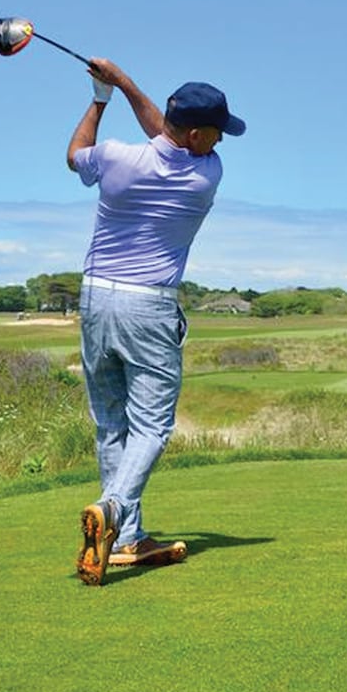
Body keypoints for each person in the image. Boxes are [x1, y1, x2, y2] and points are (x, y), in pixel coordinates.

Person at [67, 58, 245, 586]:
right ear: (197, 134)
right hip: (150, 306)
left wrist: (105, 95)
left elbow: (76, 154)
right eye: (217, 132)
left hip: (95, 300)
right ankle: (115, 512)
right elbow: (168, 139)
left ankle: (124, 541)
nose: (221, 141)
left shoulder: (117, 160)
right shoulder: (205, 174)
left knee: (112, 423)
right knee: (152, 425)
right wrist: (121, 84)